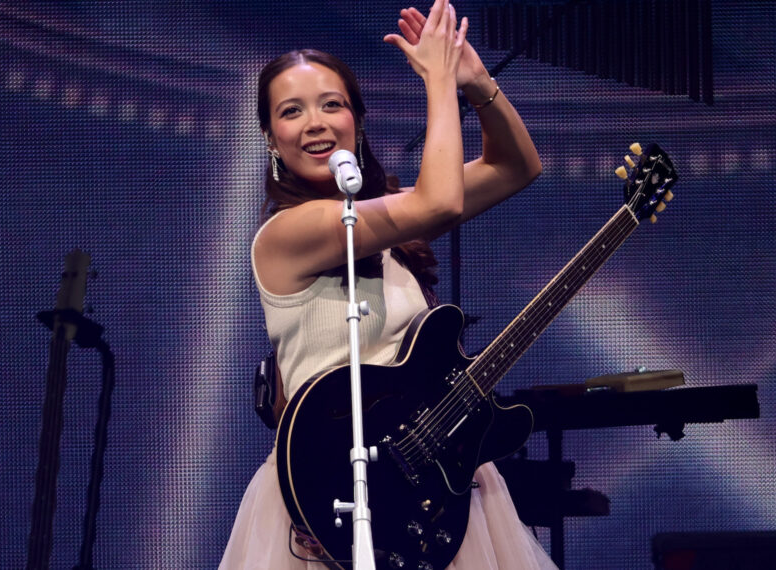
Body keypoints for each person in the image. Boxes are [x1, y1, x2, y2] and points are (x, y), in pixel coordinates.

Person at [220, 1, 556, 568]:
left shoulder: (383, 227)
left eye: (332, 105)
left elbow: (517, 167)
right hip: (330, 493)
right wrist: (439, 82)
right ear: (270, 139)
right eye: (291, 112)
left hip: (427, 488)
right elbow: (442, 200)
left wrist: (476, 84)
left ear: (358, 119)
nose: (316, 123)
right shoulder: (287, 234)